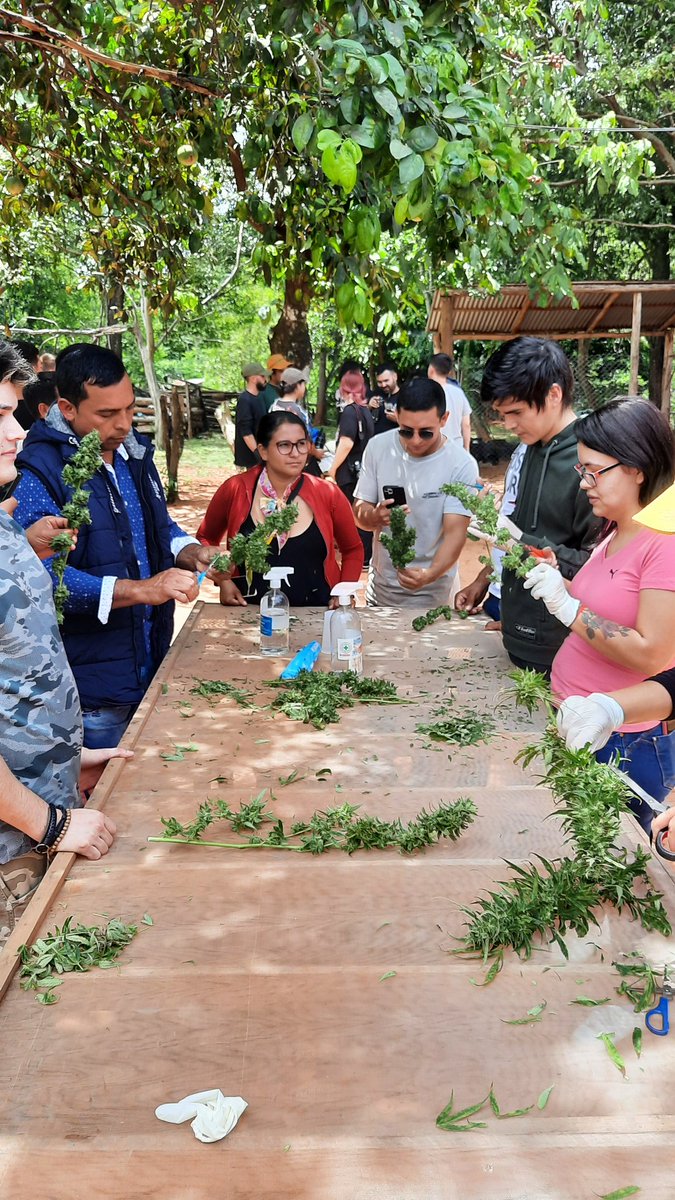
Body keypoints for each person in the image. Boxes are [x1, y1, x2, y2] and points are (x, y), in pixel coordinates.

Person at [13, 343, 218, 749]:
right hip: (90, 692)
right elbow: (39, 578)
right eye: (107, 414)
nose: (124, 424)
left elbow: (155, 527)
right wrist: (141, 590)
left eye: (128, 407)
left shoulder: (133, 453)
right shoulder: (39, 471)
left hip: (147, 664)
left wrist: (191, 552)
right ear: (67, 408)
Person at [0, 342, 123, 945]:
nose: (17, 433)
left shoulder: (5, 518)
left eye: (14, 412)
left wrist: (61, 762)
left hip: (39, 818)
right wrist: (48, 823)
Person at [524, 397, 675, 828]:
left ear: (637, 467)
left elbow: (651, 652)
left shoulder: (664, 542)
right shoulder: (615, 528)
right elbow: (607, 605)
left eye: (593, 471)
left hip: (628, 740)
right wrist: (562, 584)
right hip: (582, 724)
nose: (584, 482)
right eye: (580, 470)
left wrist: (570, 609)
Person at [480, 336, 601, 674]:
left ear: (553, 394)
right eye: (502, 415)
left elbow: (603, 567)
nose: (509, 425)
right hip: (517, 637)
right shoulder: (529, 448)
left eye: (516, 412)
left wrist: (523, 544)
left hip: (565, 649)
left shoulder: (592, 458)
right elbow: (526, 529)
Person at [196, 412, 363, 607]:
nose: (295, 453)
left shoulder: (327, 493)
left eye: (301, 444)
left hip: (318, 614)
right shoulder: (236, 489)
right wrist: (223, 580)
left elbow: (353, 549)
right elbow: (204, 539)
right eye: (284, 445)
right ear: (263, 450)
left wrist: (344, 592)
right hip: (247, 613)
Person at [353, 377, 477, 607]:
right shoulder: (378, 447)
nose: (416, 441)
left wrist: (430, 574)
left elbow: (455, 533)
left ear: (444, 419)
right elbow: (360, 512)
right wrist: (374, 516)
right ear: (397, 416)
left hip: (434, 593)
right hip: (382, 590)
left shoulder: (461, 464)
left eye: (426, 432)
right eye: (406, 431)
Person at [455, 441, 527, 626]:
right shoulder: (524, 447)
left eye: (515, 412)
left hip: (525, 610)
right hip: (498, 596)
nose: (509, 424)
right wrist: (482, 580)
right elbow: (512, 513)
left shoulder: (563, 458)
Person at [327, 369, 375, 564]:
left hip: (349, 472)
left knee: (351, 515)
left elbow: (346, 443)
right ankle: (366, 556)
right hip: (363, 470)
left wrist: (332, 469)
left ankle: (359, 556)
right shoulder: (364, 411)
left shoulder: (349, 411)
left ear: (343, 388)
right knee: (362, 512)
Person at [271, 367, 325, 475]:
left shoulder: (274, 406)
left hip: (279, 460)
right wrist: (316, 453)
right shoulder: (299, 412)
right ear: (298, 385)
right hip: (297, 462)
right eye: (303, 384)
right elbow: (306, 442)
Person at [427, 353, 471, 451]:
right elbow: (466, 424)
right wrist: (466, 449)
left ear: (431, 370)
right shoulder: (459, 392)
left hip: (434, 448)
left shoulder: (428, 393)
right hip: (456, 448)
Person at [234, 362, 269, 469]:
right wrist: (258, 454)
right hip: (252, 458)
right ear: (253, 379)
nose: (265, 380)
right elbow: (246, 432)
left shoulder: (259, 397)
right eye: (262, 376)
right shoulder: (245, 400)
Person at [369, 361, 400, 436]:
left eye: (386, 381)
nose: (383, 385)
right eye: (379, 382)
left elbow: (415, 424)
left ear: (395, 377)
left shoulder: (405, 396)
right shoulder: (376, 394)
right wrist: (369, 406)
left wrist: (398, 420)